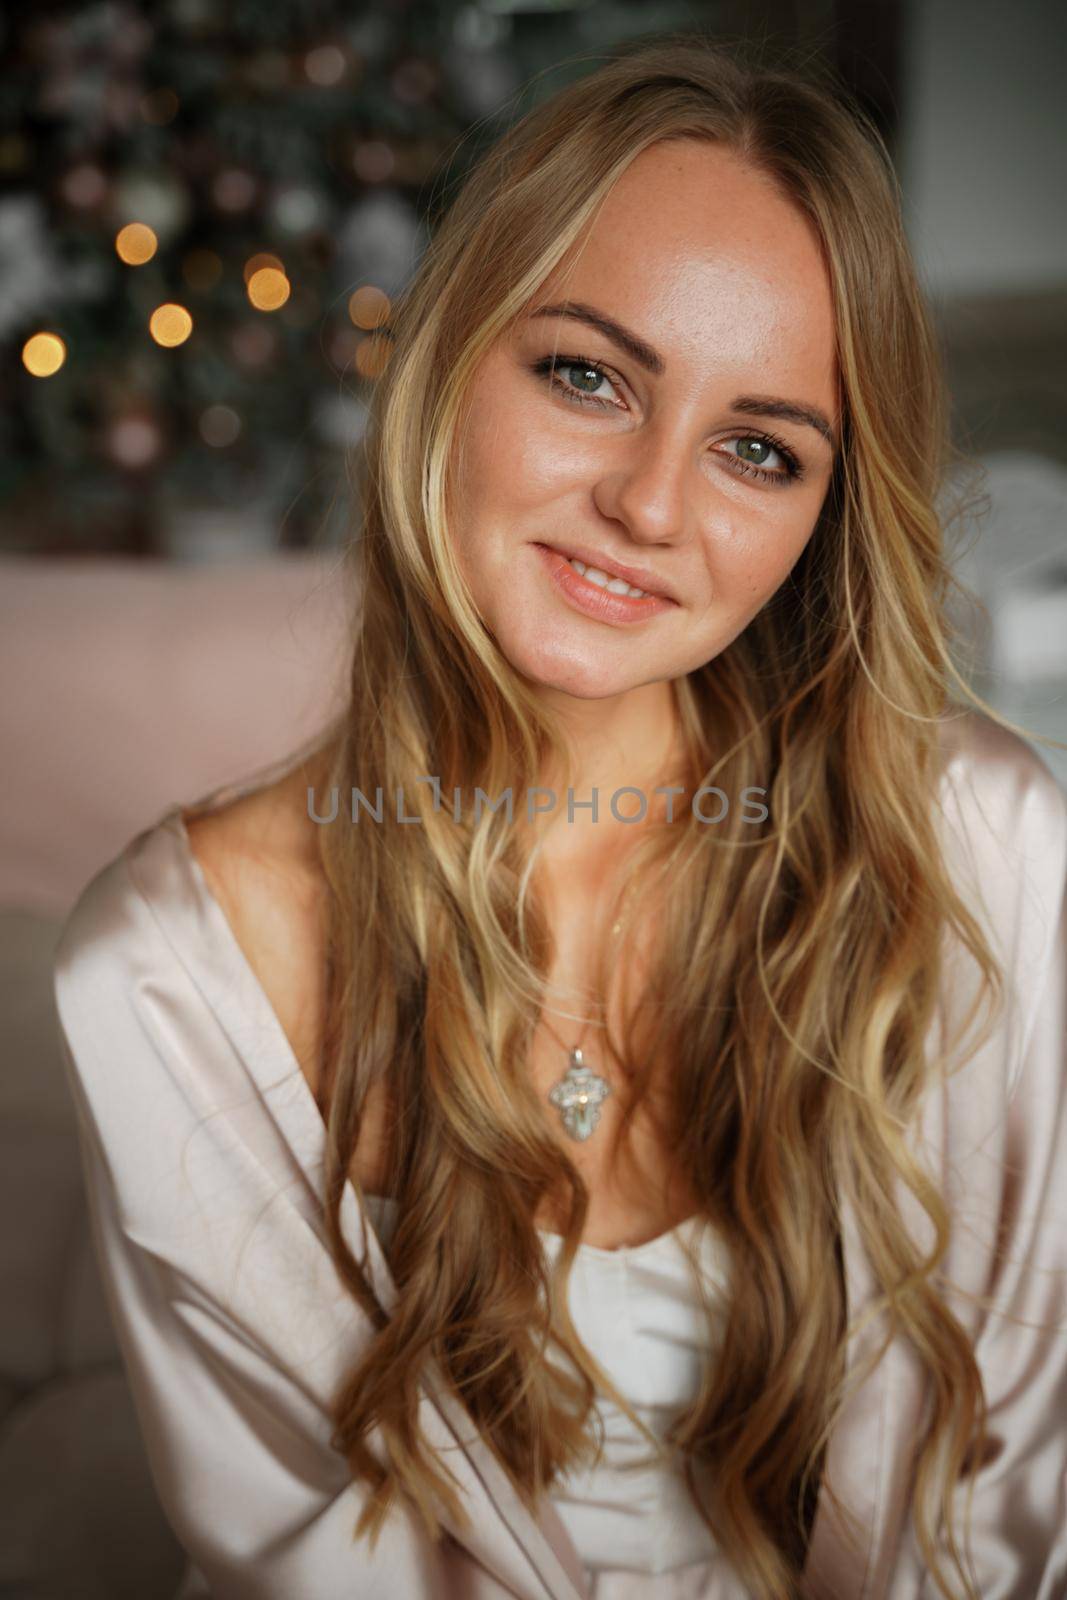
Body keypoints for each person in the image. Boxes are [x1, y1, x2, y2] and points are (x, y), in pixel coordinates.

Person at [52, 31, 1067, 1600]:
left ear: (823, 517)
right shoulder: (170, 966)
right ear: (453, 352)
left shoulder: (980, 843)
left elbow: (999, 1506)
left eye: (758, 449)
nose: (653, 507)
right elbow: (324, 1565)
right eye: (588, 375)